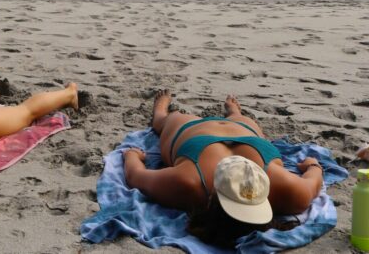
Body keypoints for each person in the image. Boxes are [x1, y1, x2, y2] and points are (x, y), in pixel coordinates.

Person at [122, 91, 324, 248]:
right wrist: (313, 165)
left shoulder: (191, 184)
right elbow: (136, 175)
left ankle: (162, 112)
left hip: (243, 135)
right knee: (181, 120)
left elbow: (135, 175)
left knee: (167, 120)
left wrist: (132, 155)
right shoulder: (291, 193)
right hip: (204, 137)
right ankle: (234, 113)